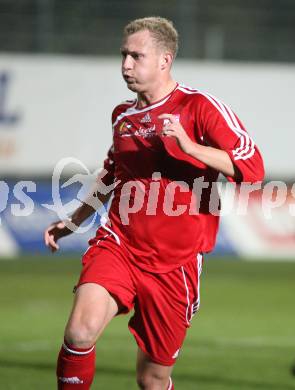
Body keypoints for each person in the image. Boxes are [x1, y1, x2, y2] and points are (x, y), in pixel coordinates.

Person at [44, 16, 264, 390]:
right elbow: (112, 173)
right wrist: (74, 220)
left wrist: (190, 147)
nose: (125, 65)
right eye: (123, 56)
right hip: (120, 245)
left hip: (175, 266)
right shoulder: (123, 116)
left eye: (136, 56)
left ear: (165, 59)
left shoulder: (200, 108)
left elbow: (253, 168)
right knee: (80, 333)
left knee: (153, 378)